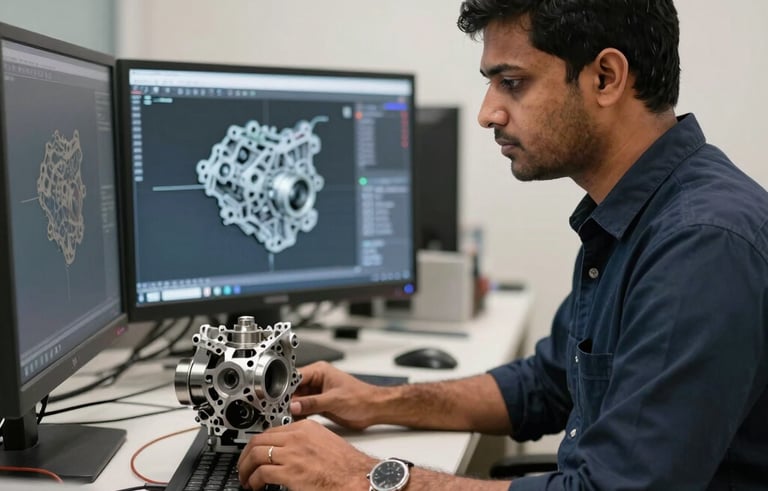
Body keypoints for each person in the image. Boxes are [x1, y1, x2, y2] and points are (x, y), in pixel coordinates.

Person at [238, 0, 768, 489]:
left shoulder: (701, 245)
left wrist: (360, 476)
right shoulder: (632, 217)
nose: (488, 112)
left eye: (512, 82)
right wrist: (378, 401)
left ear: (606, 77)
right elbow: (547, 384)